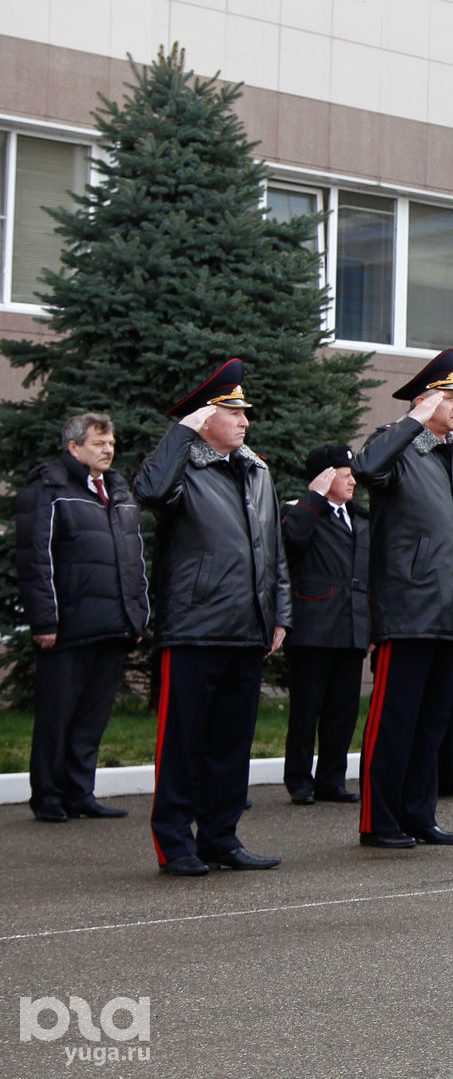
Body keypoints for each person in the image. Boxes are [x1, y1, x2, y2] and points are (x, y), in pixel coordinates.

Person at [134, 361, 289, 875]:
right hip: (195, 626)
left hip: (247, 629)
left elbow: (274, 550)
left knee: (230, 745)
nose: (245, 420)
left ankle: (220, 838)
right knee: (183, 742)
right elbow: (150, 492)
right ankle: (175, 843)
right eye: (233, 411)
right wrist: (181, 431)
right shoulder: (184, 468)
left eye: (245, 411)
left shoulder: (257, 470)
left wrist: (278, 615)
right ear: (206, 417)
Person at [354, 350, 453, 850]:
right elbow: (366, 470)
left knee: (432, 724)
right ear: (424, 400)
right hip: (408, 609)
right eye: (449, 397)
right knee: (394, 722)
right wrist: (411, 420)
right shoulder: (393, 446)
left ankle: (418, 813)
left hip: (452, 612)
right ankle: (378, 820)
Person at [18, 412, 148, 824]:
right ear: (74, 448)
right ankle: (49, 797)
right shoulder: (50, 489)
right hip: (68, 628)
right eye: (98, 443)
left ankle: (80, 792)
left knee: (92, 716)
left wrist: (137, 615)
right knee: (57, 716)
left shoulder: (117, 490)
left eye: (111, 443)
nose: (108, 450)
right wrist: (45, 622)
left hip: (112, 624)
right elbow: (35, 560)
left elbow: (134, 559)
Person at [279, 445, 370, 805]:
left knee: (342, 710)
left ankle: (332, 779)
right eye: (343, 472)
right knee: (307, 709)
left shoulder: (360, 518)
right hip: (314, 628)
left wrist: (372, 628)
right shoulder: (301, 512)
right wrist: (313, 497)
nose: (352, 479)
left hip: (351, 627)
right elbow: (292, 540)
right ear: (324, 477)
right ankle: (299, 780)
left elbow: (370, 575)